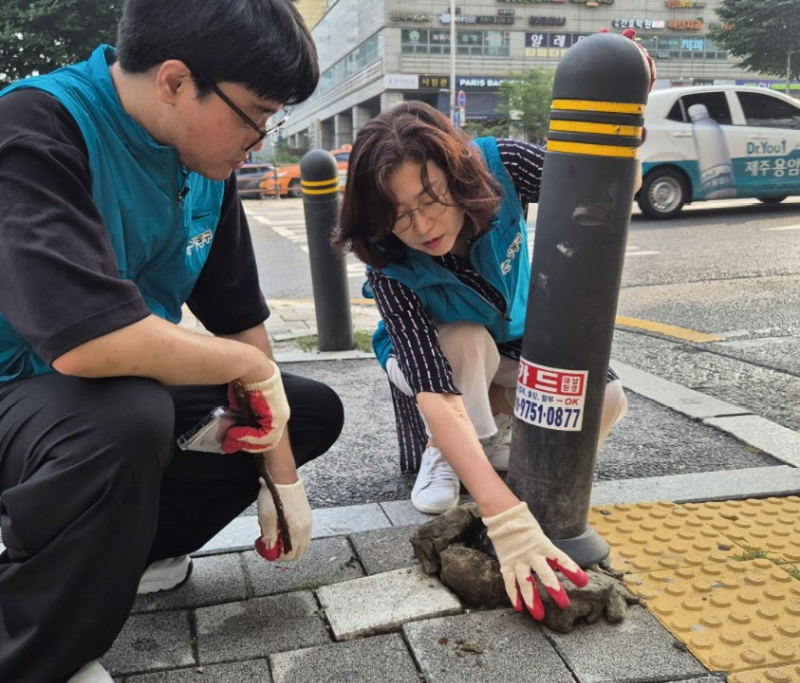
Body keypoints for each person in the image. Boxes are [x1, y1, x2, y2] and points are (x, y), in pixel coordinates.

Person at [0, 1, 343, 681]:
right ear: (175, 81)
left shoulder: (202, 164)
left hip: (97, 389)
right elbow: (85, 343)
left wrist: (282, 475)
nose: (261, 137)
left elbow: (240, 318)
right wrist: (247, 369)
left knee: (302, 412)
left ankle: (122, 553)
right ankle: (36, 652)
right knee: (125, 419)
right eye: (254, 114)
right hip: (18, 390)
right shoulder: (35, 127)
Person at [335, 101, 631, 620]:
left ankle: (501, 445)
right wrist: (509, 522)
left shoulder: (505, 166)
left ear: (459, 174)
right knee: (468, 342)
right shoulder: (390, 267)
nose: (422, 225)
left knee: (604, 398)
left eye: (432, 199)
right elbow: (432, 384)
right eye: (398, 215)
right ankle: (452, 450)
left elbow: (598, 189)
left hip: (516, 333)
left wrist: (623, 140)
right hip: (434, 351)